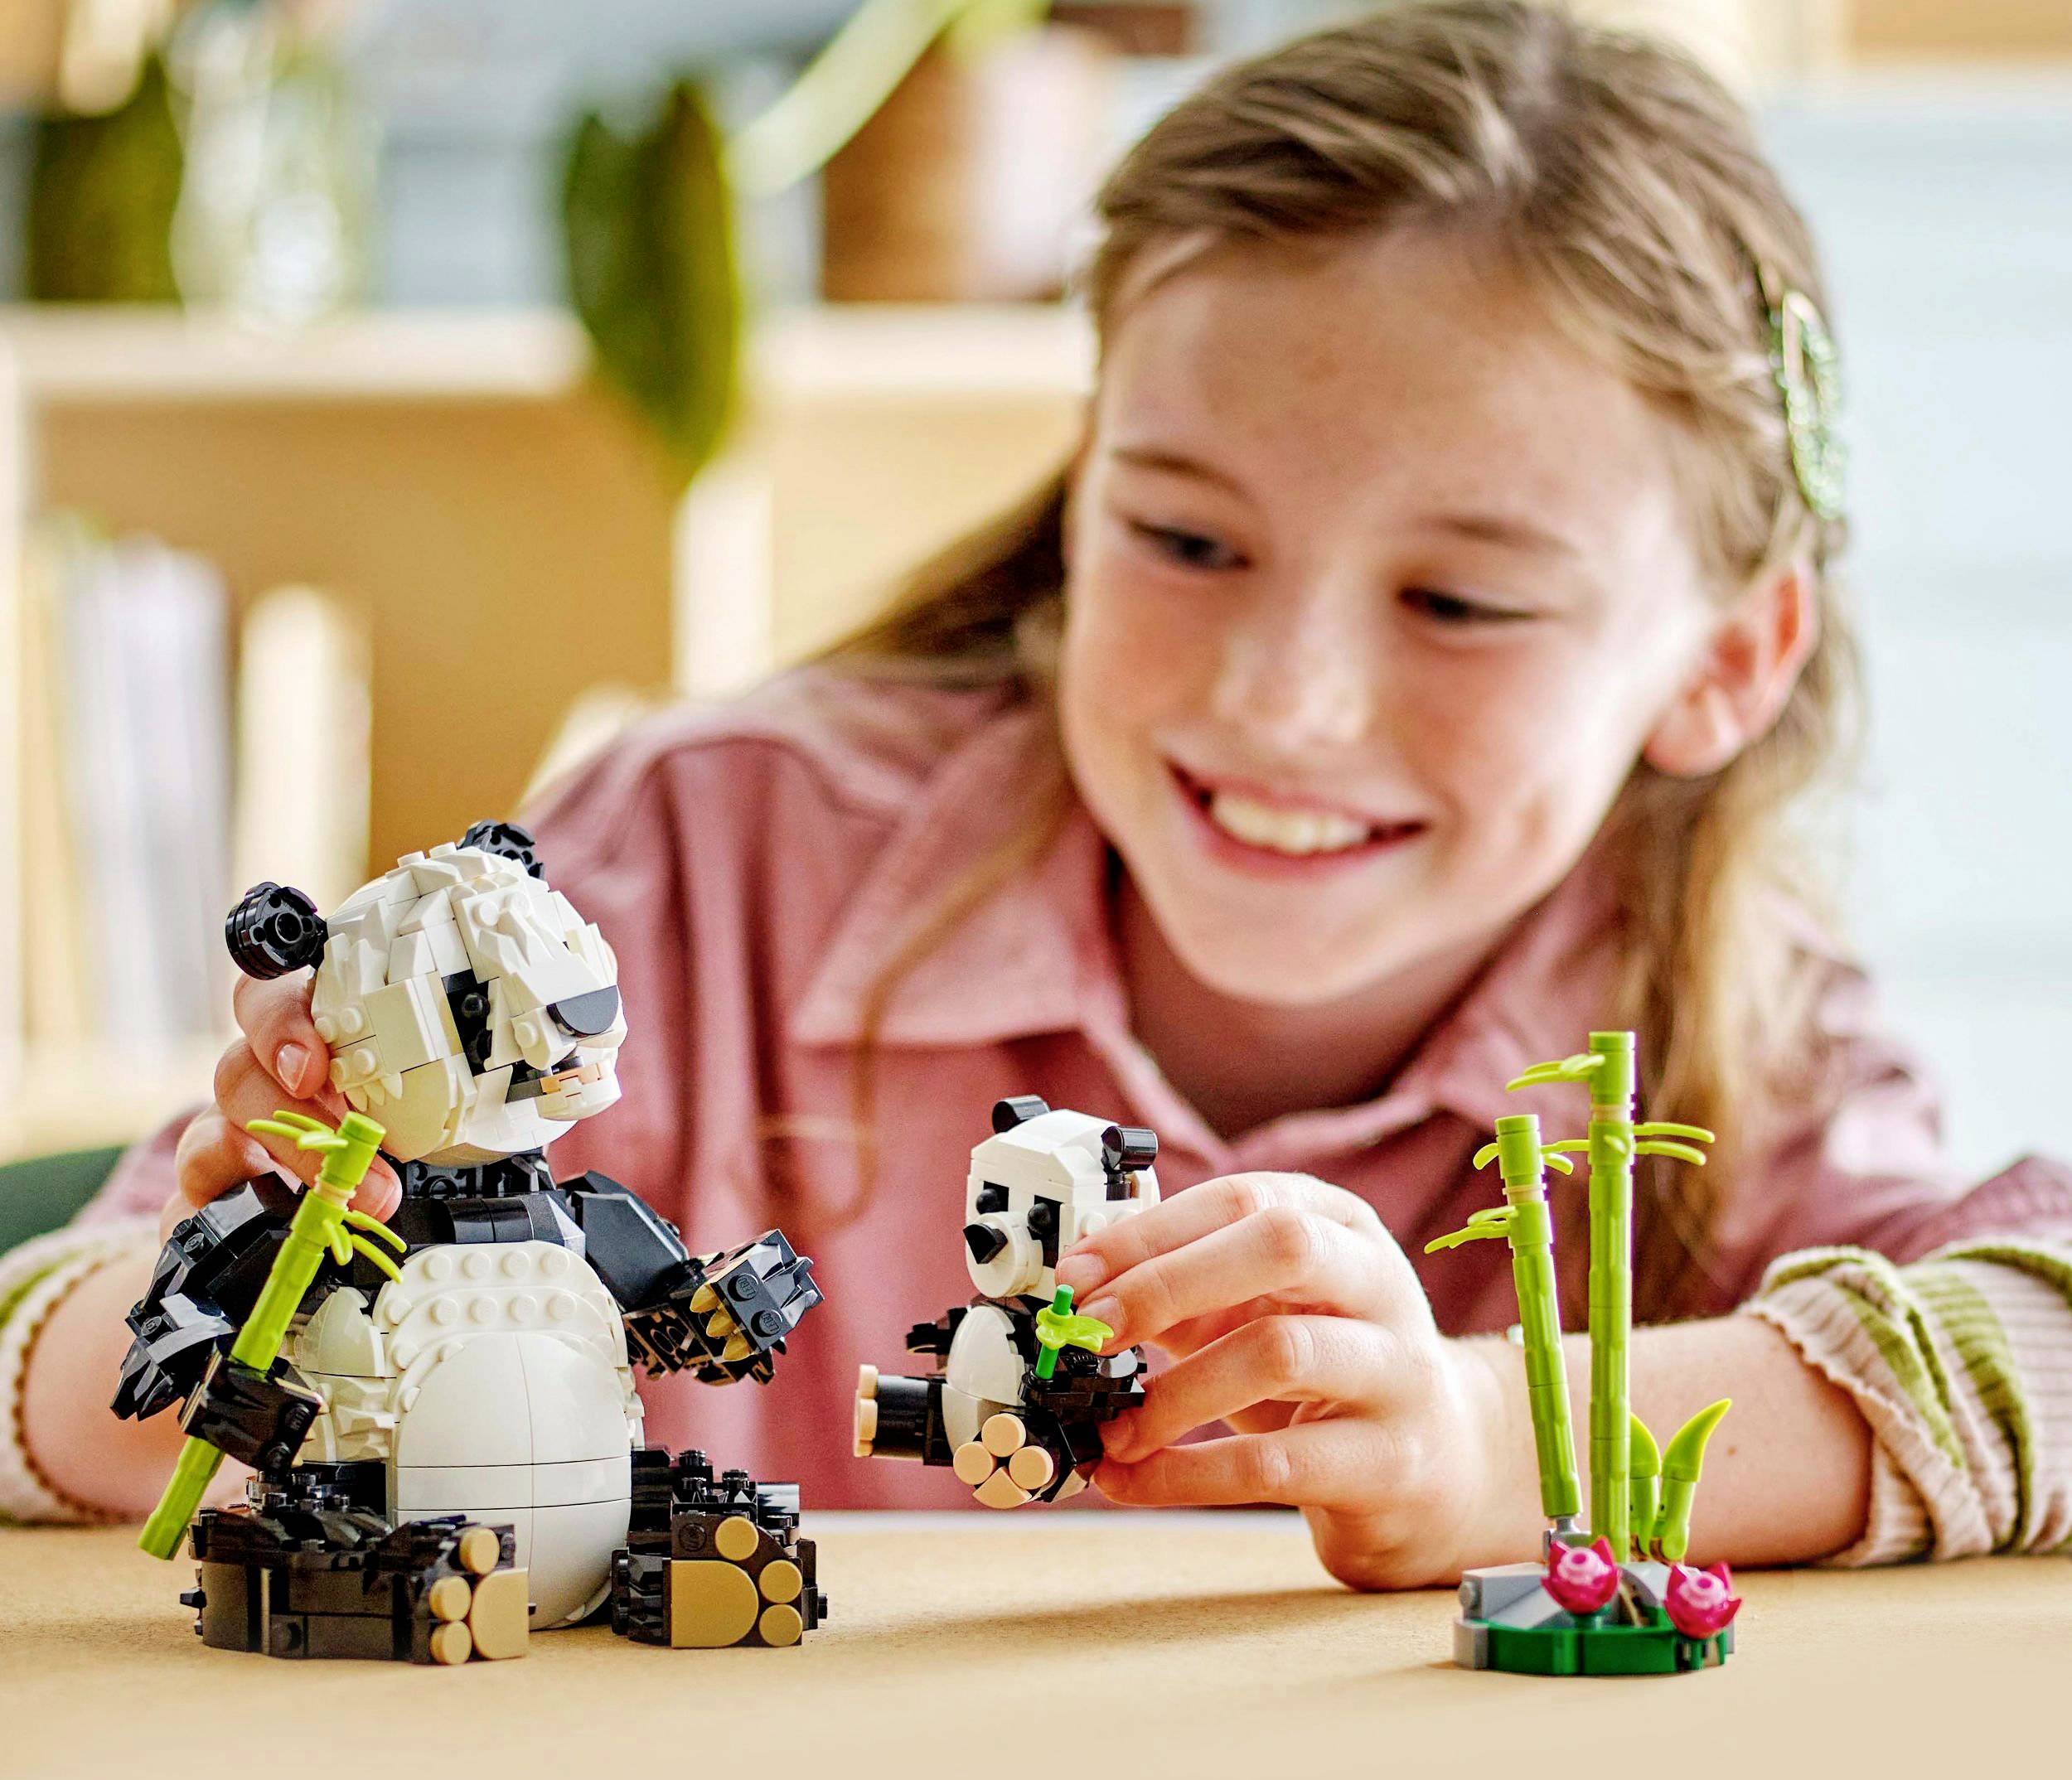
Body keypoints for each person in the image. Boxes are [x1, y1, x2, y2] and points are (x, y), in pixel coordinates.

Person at [9, 1, 2070, 1589]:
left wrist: (1474, 1438)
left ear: (1723, 659)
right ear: (1077, 490)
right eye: (1183, 539)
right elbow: (32, 1357)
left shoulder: (1718, 1027)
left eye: (1458, 598)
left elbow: (2044, 1344)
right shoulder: (691, 869)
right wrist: (259, 1317)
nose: (1281, 695)